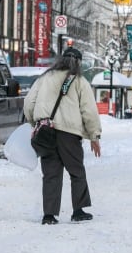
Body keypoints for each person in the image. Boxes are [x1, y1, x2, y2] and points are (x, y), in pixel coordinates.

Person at [24, 47, 102, 225]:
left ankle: (49, 215)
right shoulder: (80, 81)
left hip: (46, 131)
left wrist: (34, 123)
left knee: (51, 174)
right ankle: (78, 210)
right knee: (76, 171)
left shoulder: (45, 77)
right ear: (79, 63)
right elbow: (88, 110)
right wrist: (94, 136)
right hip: (69, 133)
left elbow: (29, 102)